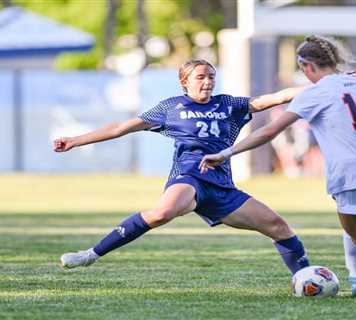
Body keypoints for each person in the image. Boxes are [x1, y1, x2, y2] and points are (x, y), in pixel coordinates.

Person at [199, 36, 356, 301]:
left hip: (354, 174)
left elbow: (270, 131)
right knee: (355, 229)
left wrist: (227, 152)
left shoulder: (316, 93)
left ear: (306, 66)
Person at [54, 59, 310, 276]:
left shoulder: (228, 104)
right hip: (190, 176)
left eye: (211, 77)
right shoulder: (171, 108)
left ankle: (305, 278)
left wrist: (321, 85)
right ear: (184, 82)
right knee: (162, 213)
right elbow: (120, 128)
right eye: (200, 77)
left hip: (221, 185)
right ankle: (90, 254)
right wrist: (76, 140)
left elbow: (276, 98)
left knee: (278, 226)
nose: (207, 82)